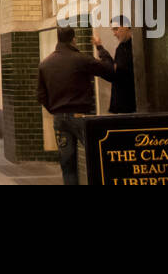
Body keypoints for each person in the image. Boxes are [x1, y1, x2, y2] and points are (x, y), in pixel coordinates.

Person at [38, 25, 113, 185]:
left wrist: (55, 109)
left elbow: (41, 95)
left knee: (67, 164)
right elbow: (108, 70)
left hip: (60, 120)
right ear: (73, 40)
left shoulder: (45, 64)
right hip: (80, 116)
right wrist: (100, 48)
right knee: (96, 156)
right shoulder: (81, 59)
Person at [92, 16, 136, 114]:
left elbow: (117, 72)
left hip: (130, 104)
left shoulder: (135, 47)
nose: (114, 34)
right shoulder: (121, 48)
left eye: (116, 29)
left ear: (126, 27)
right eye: (113, 30)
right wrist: (99, 47)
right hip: (122, 104)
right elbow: (114, 71)